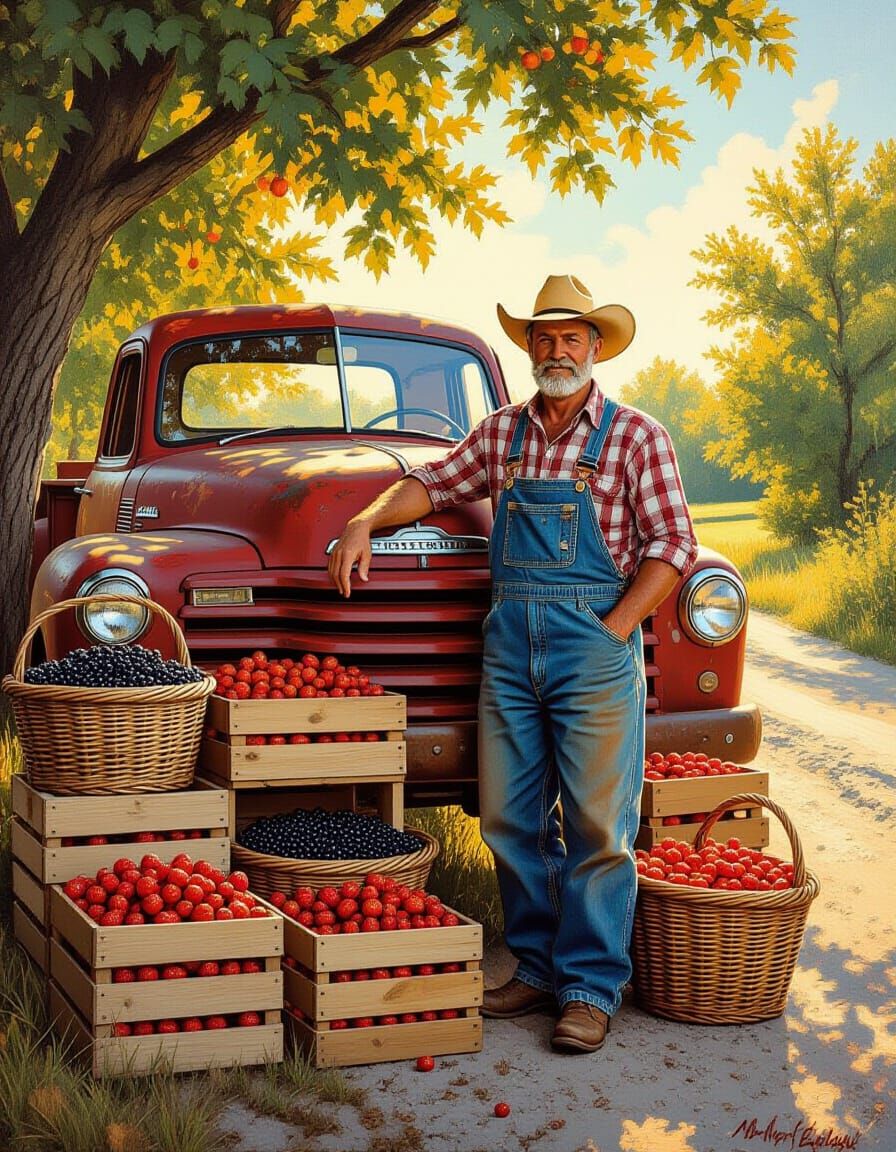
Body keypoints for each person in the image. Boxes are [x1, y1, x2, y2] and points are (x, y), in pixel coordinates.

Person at [328, 274, 697, 1054]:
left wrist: (615, 628)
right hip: (509, 648)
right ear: (527, 346)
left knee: (599, 824)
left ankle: (592, 986)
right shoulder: (502, 434)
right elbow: (432, 484)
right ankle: (535, 966)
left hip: (593, 645)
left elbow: (673, 547)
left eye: (572, 337)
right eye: (544, 337)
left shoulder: (635, 437)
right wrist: (365, 519)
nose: (557, 350)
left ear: (596, 349)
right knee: (509, 817)